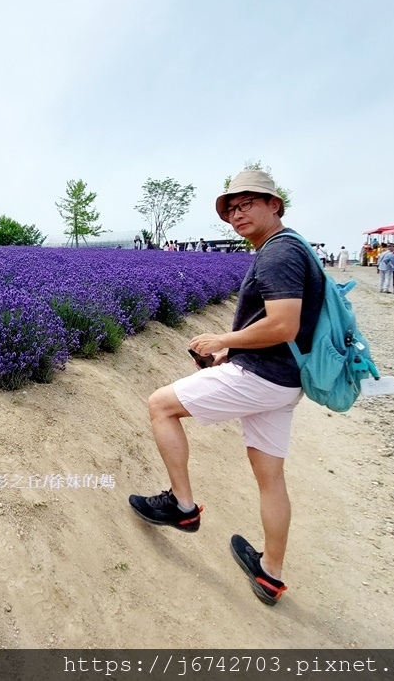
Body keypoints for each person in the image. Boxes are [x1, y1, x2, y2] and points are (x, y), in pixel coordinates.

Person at [128, 169, 323, 606]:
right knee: (270, 478)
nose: (237, 214)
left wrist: (223, 340)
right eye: (231, 208)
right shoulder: (291, 248)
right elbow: (281, 328)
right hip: (282, 379)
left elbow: (284, 324)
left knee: (161, 406)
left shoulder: (277, 253)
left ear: (275, 204)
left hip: (262, 377)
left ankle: (182, 507)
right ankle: (270, 573)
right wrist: (229, 354)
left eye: (247, 203)